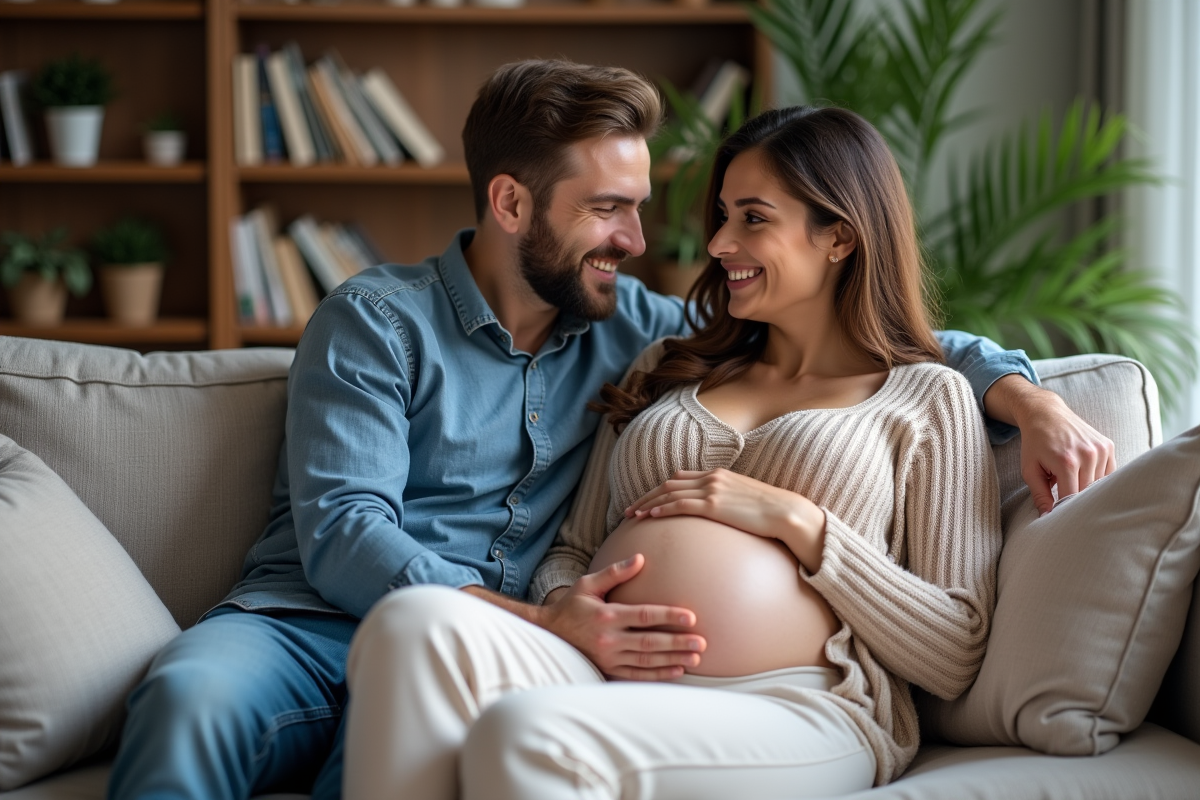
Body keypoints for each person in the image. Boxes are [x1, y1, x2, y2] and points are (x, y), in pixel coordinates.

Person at [107, 60, 1112, 800]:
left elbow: (885, 340)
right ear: (511, 203)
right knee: (190, 701)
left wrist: (1027, 396)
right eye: (608, 209)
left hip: (534, 646)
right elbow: (345, 534)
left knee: (409, 709)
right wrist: (549, 615)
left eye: (647, 208)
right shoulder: (383, 320)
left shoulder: (639, 326)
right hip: (320, 624)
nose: (644, 241)